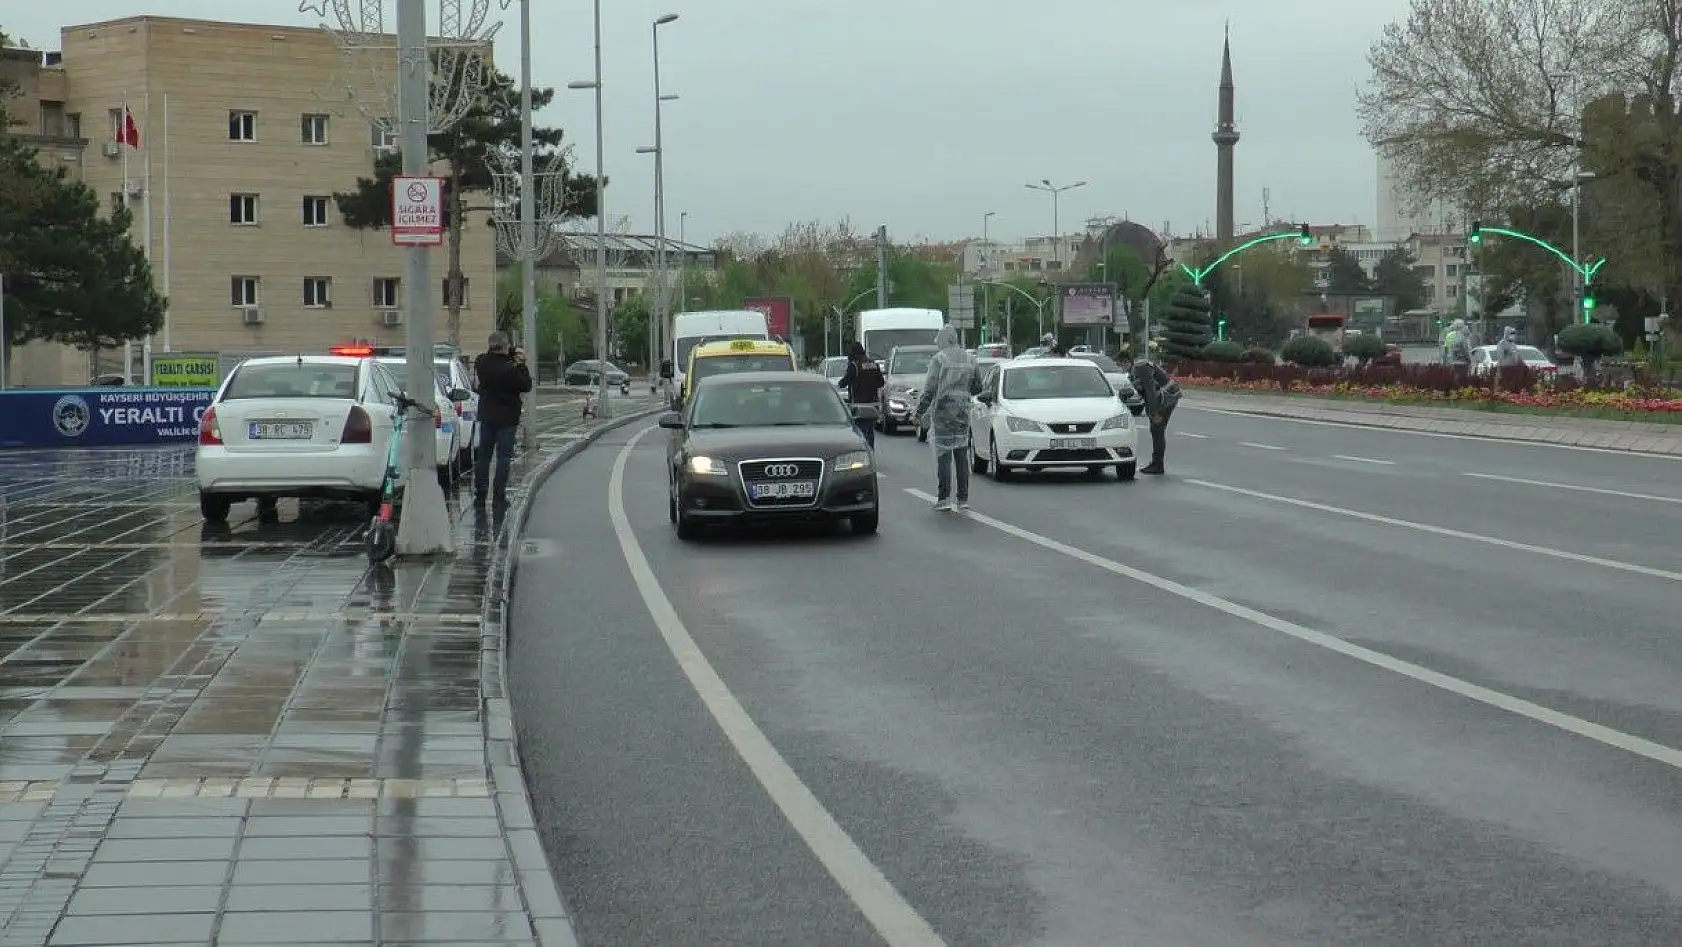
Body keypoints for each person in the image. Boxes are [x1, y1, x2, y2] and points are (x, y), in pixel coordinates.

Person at [914, 325, 981, 511]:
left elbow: (929, 389)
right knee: (961, 455)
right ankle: (963, 499)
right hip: (962, 414)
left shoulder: (939, 359)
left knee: (943, 456)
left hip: (943, 413)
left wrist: (919, 414)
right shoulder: (971, 358)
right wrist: (964, 393)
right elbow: (978, 386)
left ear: (944, 339)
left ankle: (944, 498)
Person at [472, 330, 533, 508]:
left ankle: (480, 496)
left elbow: (494, 357)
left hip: (487, 416)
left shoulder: (481, 362)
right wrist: (521, 364)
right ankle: (499, 496)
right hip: (507, 418)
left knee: (483, 457)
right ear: (505, 346)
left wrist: (510, 353)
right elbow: (526, 385)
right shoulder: (512, 368)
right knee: (503, 457)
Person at [1130, 357, 1181, 475]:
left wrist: (1154, 413)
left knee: (1157, 429)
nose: (1120, 366)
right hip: (1166, 396)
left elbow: (1150, 390)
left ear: (1127, 361)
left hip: (1166, 398)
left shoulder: (1140, 367)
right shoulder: (1136, 368)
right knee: (1156, 430)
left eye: (1120, 363)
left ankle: (1157, 464)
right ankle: (1157, 463)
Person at [837, 341, 885, 447]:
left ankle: (864, 452)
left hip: (859, 406)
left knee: (861, 431)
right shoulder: (873, 364)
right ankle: (870, 451)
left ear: (852, 353)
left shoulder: (854, 366)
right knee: (870, 431)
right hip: (873, 405)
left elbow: (842, 383)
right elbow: (881, 382)